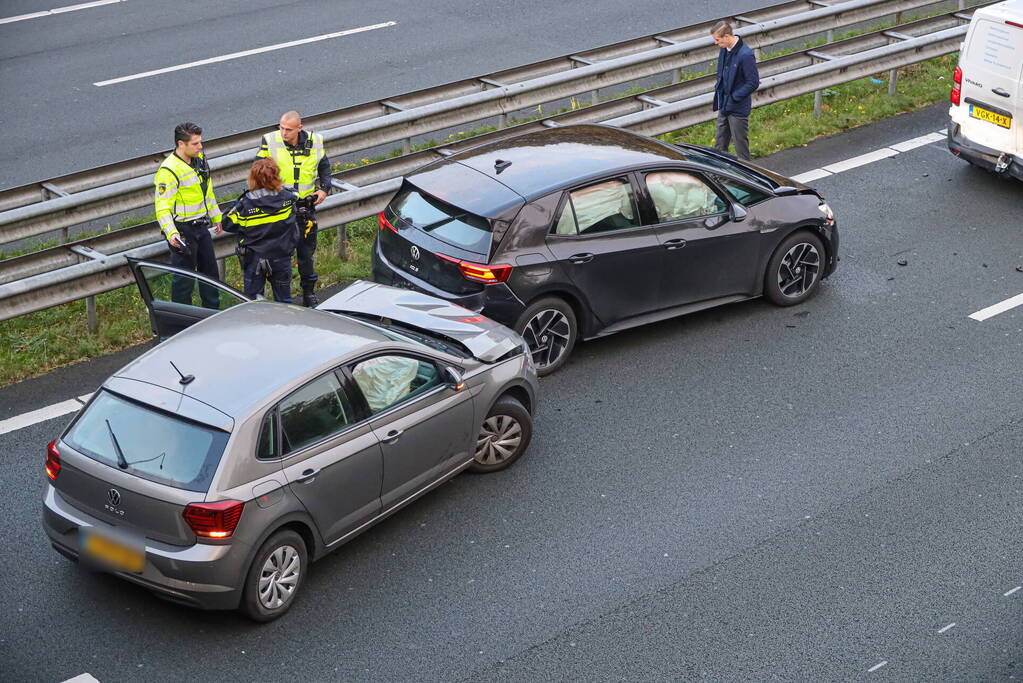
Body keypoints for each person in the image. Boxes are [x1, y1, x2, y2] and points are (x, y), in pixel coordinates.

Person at [256, 110, 332, 307]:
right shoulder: (270, 141)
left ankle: (309, 293)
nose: (283, 133)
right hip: (279, 210)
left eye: (288, 129)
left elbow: (325, 168)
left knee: (306, 255)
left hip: (305, 209)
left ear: (299, 128)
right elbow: (258, 171)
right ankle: (283, 297)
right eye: (281, 128)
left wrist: (324, 189)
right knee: (280, 257)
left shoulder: (315, 142)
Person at [154, 122, 224, 308]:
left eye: (200, 142)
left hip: (202, 227)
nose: (200, 147)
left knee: (210, 276)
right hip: (183, 231)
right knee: (184, 282)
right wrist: (171, 234)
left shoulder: (200, 160)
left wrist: (217, 217)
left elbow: (207, 192)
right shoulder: (168, 171)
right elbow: (162, 207)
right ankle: (182, 324)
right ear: (181, 144)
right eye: (195, 144)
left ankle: (212, 316)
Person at [222, 159, 299, 303]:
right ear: (277, 176)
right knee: (284, 302)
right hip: (281, 256)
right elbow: (295, 193)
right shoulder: (289, 198)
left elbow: (226, 222)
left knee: (253, 305)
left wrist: (240, 199)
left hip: (254, 259)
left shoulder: (245, 205)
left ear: (253, 178)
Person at [710, 21, 760, 161]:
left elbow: (753, 82)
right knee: (719, 148)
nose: (716, 43)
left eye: (717, 40)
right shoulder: (724, 49)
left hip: (737, 108)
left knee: (741, 150)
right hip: (724, 105)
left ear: (726, 36)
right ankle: (720, 177)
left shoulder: (745, 55)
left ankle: (748, 178)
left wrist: (734, 97)